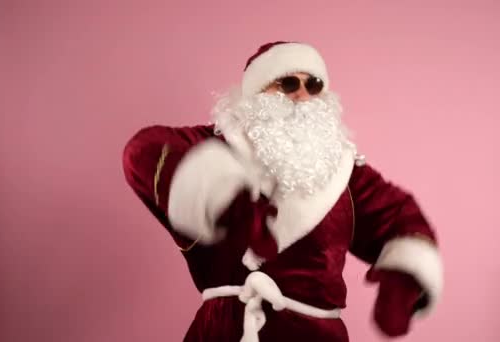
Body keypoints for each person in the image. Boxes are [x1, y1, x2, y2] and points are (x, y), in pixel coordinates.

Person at [122, 41, 443, 342]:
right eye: (288, 84)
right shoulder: (216, 146)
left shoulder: (344, 170)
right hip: (230, 330)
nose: (302, 95)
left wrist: (405, 278)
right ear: (255, 94)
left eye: (313, 85)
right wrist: (226, 198)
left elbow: (400, 216)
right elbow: (143, 151)